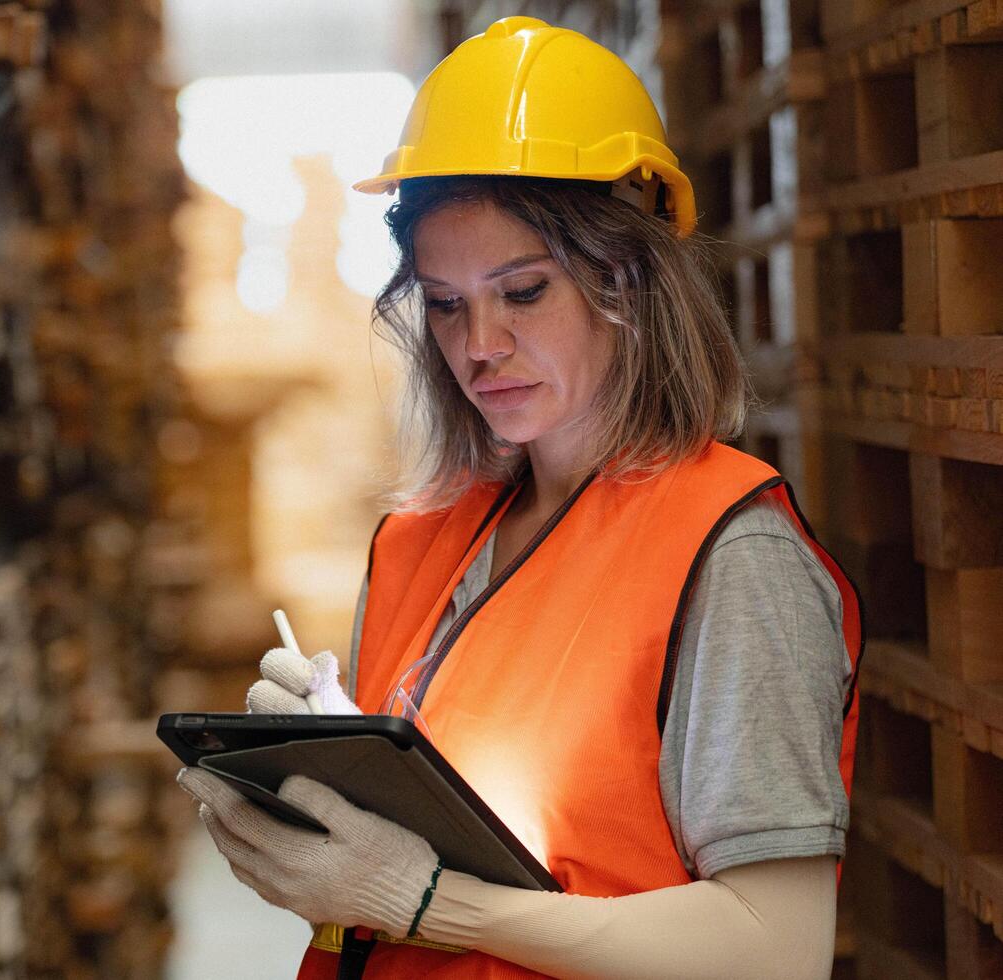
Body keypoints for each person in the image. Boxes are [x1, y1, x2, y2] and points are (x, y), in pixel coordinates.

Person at [176, 16, 862, 980]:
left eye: (523, 291)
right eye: (447, 302)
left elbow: (776, 949)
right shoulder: (424, 542)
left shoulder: (729, 555)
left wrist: (424, 902)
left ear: (631, 281)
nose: (479, 344)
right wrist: (323, 779)